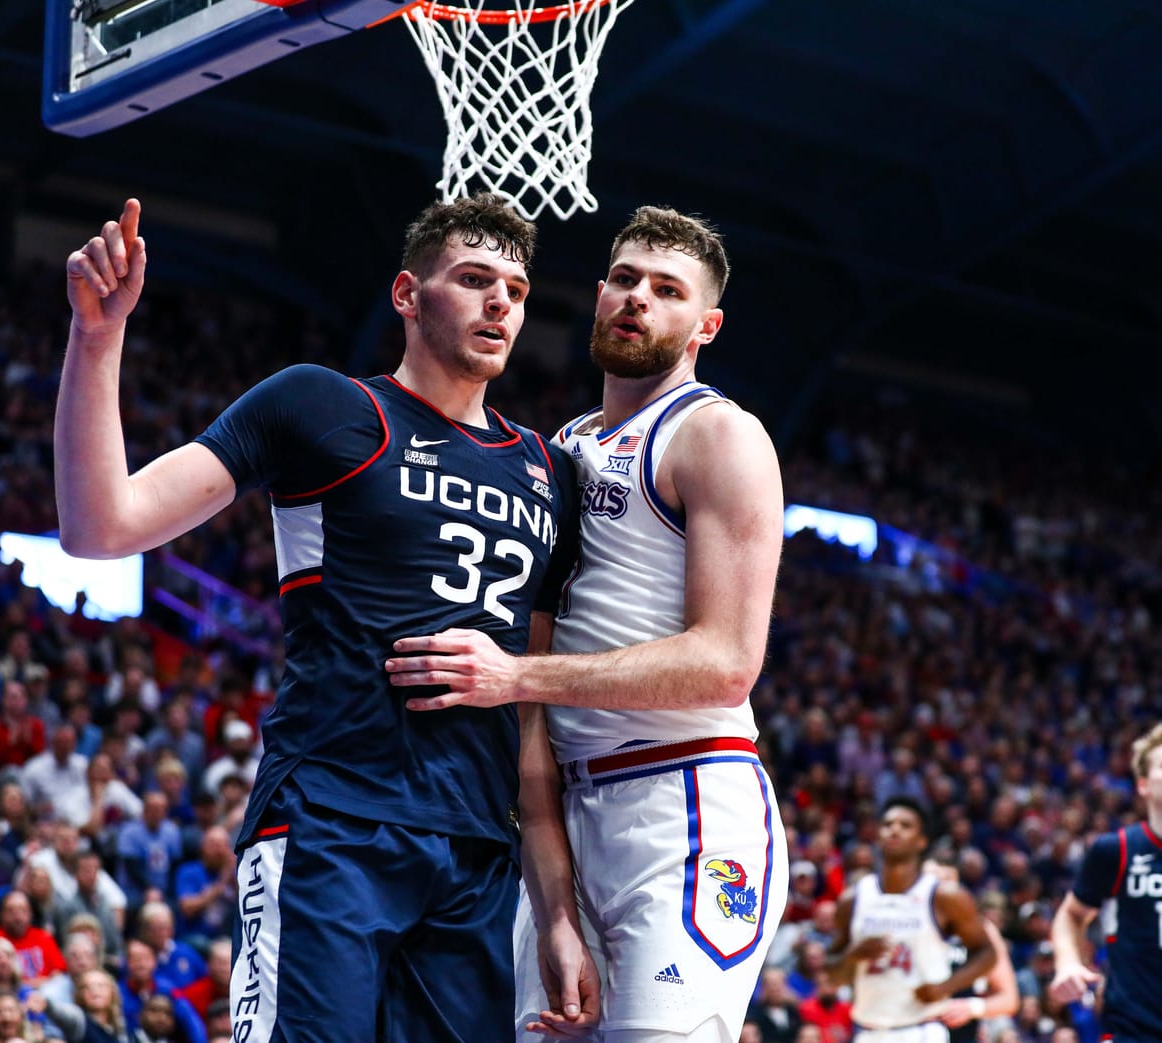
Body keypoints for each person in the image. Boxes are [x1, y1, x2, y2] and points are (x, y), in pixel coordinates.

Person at [55, 195, 577, 1042]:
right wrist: (96, 337)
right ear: (407, 294)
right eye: (474, 279)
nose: (499, 305)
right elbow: (99, 526)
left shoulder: (549, 471)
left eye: (515, 290)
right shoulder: (322, 406)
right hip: (332, 818)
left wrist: (554, 904)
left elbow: (534, 718)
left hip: (480, 850)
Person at [387, 206, 788, 1041]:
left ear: (704, 325)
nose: (639, 298)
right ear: (599, 293)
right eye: (626, 279)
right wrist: (556, 904)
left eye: (668, 290)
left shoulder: (718, 434)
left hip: (684, 804)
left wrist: (514, 676)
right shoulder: (557, 450)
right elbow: (530, 698)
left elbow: (725, 663)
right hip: (567, 816)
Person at [825, 798, 996, 1042]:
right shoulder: (853, 898)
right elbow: (831, 974)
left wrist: (945, 987)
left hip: (922, 1028)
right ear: (878, 836)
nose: (894, 829)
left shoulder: (943, 896)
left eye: (905, 825)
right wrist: (853, 955)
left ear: (921, 841)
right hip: (868, 1031)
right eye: (887, 824)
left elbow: (987, 953)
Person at [1048, 722, 1162, 1043]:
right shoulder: (1117, 849)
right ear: (1143, 785)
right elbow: (1070, 915)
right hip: (1137, 1027)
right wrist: (1068, 962)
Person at [921, 858, 1018, 1043]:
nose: (940, 890)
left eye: (947, 882)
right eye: (934, 882)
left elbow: (1009, 999)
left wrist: (972, 1007)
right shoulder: (903, 927)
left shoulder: (981, 930)